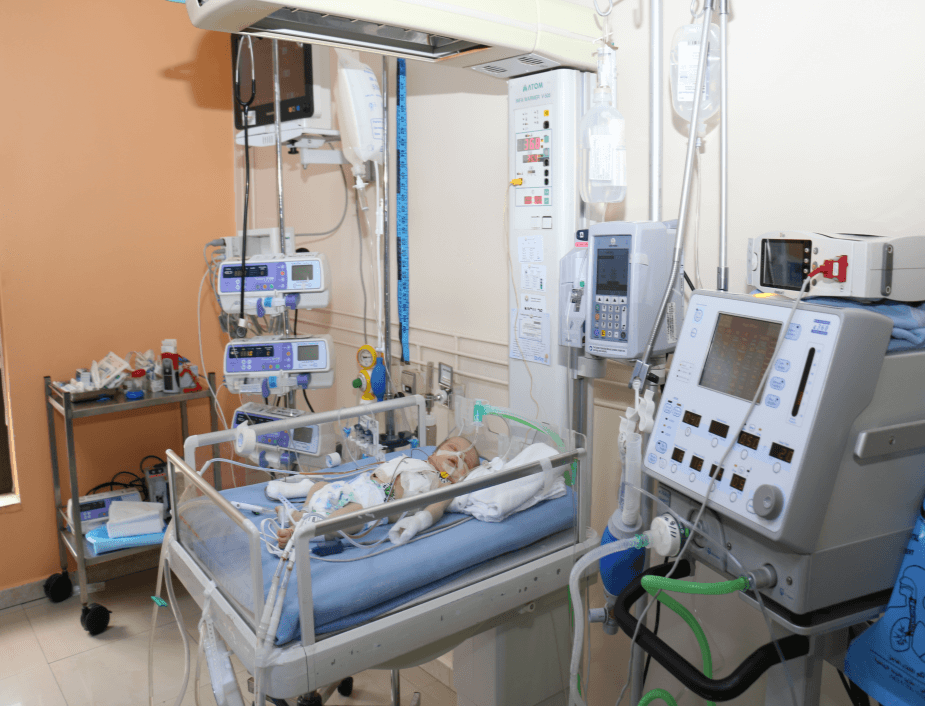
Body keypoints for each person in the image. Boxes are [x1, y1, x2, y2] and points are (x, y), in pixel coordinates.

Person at [275, 436, 479, 548]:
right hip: (356, 486)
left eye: (466, 461)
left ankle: (299, 532)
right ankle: (302, 511)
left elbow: (436, 508)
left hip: (374, 506)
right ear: (435, 453)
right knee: (318, 486)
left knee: (344, 519)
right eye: (453, 447)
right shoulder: (415, 460)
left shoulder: (444, 484)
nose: (457, 456)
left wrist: (417, 522)